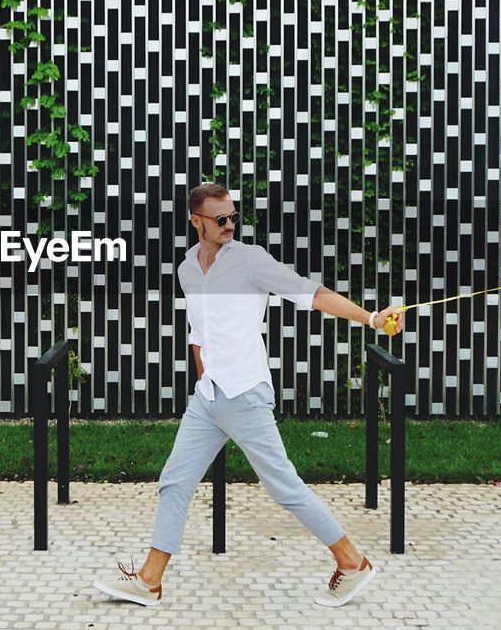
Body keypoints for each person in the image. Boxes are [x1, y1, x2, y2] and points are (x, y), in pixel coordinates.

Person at [92, 182, 404, 607]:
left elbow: (309, 294)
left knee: (284, 487)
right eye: (220, 219)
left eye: (233, 216)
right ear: (195, 221)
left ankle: (352, 563)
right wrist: (205, 383)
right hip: (209, 397)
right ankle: (149, 580)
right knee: (175, 482)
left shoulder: (251, 261)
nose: (229, 225)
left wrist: (370, 317)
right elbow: (198, 335)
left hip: (246, 392)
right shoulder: (188, 269)